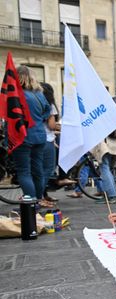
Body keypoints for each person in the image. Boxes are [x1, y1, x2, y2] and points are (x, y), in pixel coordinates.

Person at [13, 65, 50, 205]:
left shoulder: (16, 94)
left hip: (23, 136)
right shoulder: (39, 94)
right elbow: (47, 111)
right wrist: (38, 119)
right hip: (40, 135)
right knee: (37, 171)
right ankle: (38, 201)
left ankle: (31, 204)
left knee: (24, 171)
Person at [39, 82, 60, 206]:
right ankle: (39, 197)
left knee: (39, 170)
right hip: (47, 140)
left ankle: (43, 195)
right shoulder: (49, 105)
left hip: (37, 139)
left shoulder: (37, 103)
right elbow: (51, 126)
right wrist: (61, 128)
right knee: (47, 170)